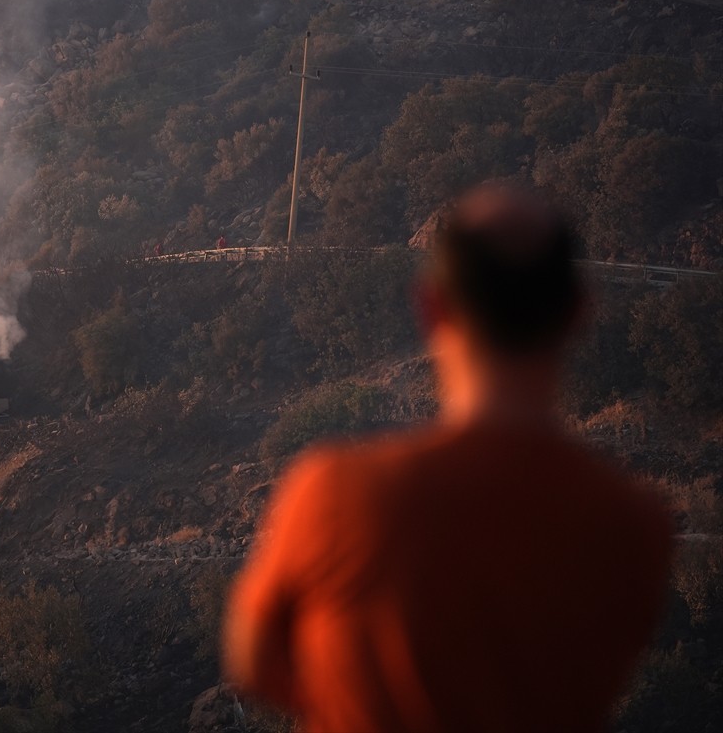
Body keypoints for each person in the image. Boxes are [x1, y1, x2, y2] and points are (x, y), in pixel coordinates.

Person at [223, 185, 672, 733]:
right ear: (579, 312)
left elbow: (252, 660)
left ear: (432, 307)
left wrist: (351, 701)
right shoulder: (634, 526)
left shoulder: (335, 490)